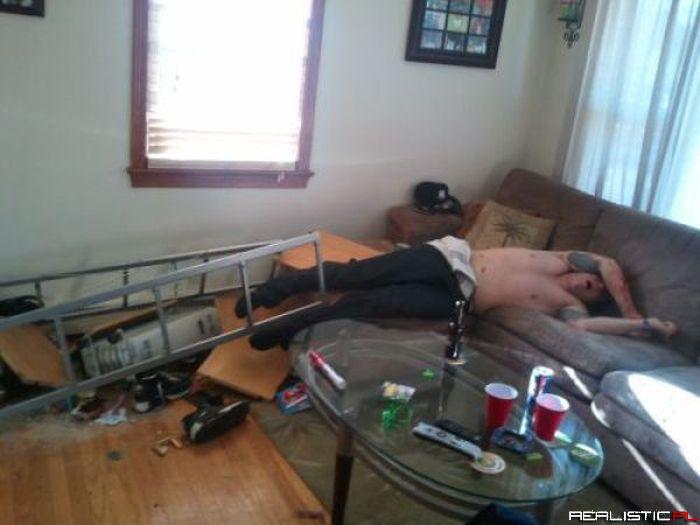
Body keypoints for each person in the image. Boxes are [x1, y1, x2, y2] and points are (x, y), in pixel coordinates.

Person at [237, 236, 677, 350]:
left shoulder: (570, 306)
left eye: (594, 292)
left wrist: (642, 324)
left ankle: (286, 329)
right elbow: (610, 265)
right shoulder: (564, 257)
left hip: (458, 299)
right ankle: (273, 290)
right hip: (445, 258)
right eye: (593, 280)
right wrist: (629, 305)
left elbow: (585, 328)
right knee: (356, 275)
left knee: (365, 305)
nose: (591, 285)